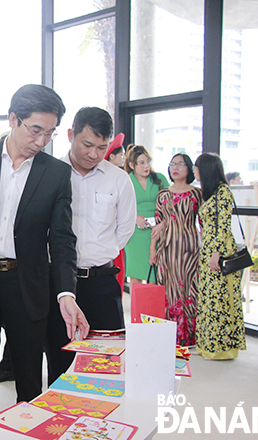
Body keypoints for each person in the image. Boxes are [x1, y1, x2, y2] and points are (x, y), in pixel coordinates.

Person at [0, 84, 88, 422]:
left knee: (30, 379)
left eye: (50, 134)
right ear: (13, 119)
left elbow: (61, 239)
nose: (42, 141)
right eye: (35, 130)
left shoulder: (56, 173)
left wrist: (65, 292)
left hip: (27, 284)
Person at [45, 108, 136, 384]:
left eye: (102, 147)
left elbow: (125, 229)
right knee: (61, 361)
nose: (94, 154)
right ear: (71, 135)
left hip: (101, 283)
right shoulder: (49, 174)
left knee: (105, 363)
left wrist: (97, 255)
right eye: (87, 145)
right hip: (59, 284)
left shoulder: (118, 179)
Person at [193, 153, 246, 360]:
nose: (195, 171)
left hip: (219, 250)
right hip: (208, 249)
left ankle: (222, 348)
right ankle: (208, 344)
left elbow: (222, 225)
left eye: (197, 167)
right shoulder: (210, 193)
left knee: (220, 300)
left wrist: (216, 253)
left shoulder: (223, 192)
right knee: (209, 299)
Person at [149, 153, 202, 347]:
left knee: (189, 289)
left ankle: (190, 337)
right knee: (169, 291)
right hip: (167, 250)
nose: (175, 168)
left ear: (189, 168)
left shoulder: (197, 193)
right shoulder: (163, 194)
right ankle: (171, 337)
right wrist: (152, 250)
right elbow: (158, 223)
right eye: (172, 164)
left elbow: (203, 224)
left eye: (180, 164)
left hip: (189, 249)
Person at [124, 145, 169, 284]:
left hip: (157, 232)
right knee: (135, 274)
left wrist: (162, 224)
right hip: (135, 233)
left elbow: (170, 203)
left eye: (148, 161)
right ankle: (136, 306)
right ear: (132, 165)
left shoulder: (159, 179)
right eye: (141, 163)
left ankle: (151, 306)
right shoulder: (126, 180)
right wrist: (134, 218)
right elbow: (119, 206)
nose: (146, 166)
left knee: (154, 274)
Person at [104, 133, 127, 290]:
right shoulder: (104, 178)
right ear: (112, 156)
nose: (124, 158)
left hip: (116, 240)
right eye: (121, 155)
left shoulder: (122, 178)